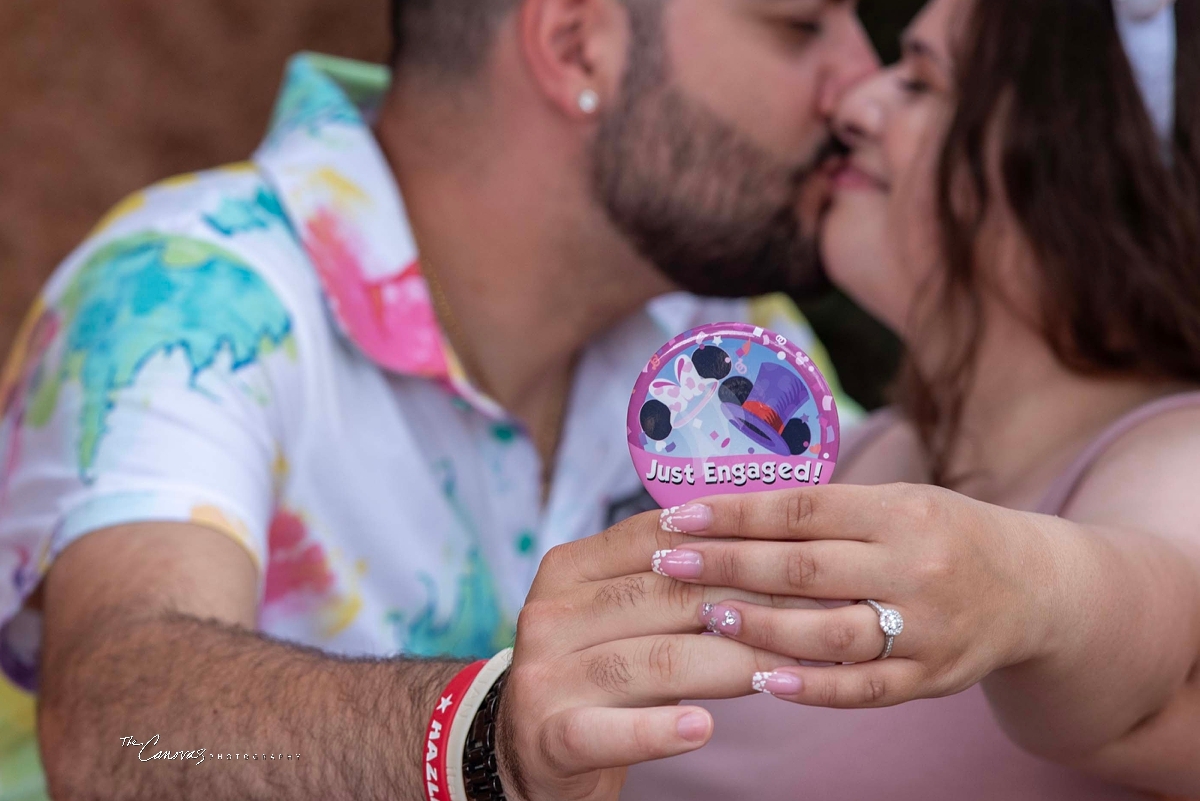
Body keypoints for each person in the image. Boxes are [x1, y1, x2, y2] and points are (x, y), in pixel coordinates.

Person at [0, 0, 878, 798]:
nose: (862, 87)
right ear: (576, 46)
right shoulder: (190, 295)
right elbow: (123, 726)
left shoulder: (729, 336)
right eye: (800, 27)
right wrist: (484, 734)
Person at [622, 0, 1200, 798]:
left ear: (1080, 160)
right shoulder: (857, 447)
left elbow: (1159, 632)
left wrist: (1020, 584)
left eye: (922, 81)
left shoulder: (1180, 457)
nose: (855, 105)